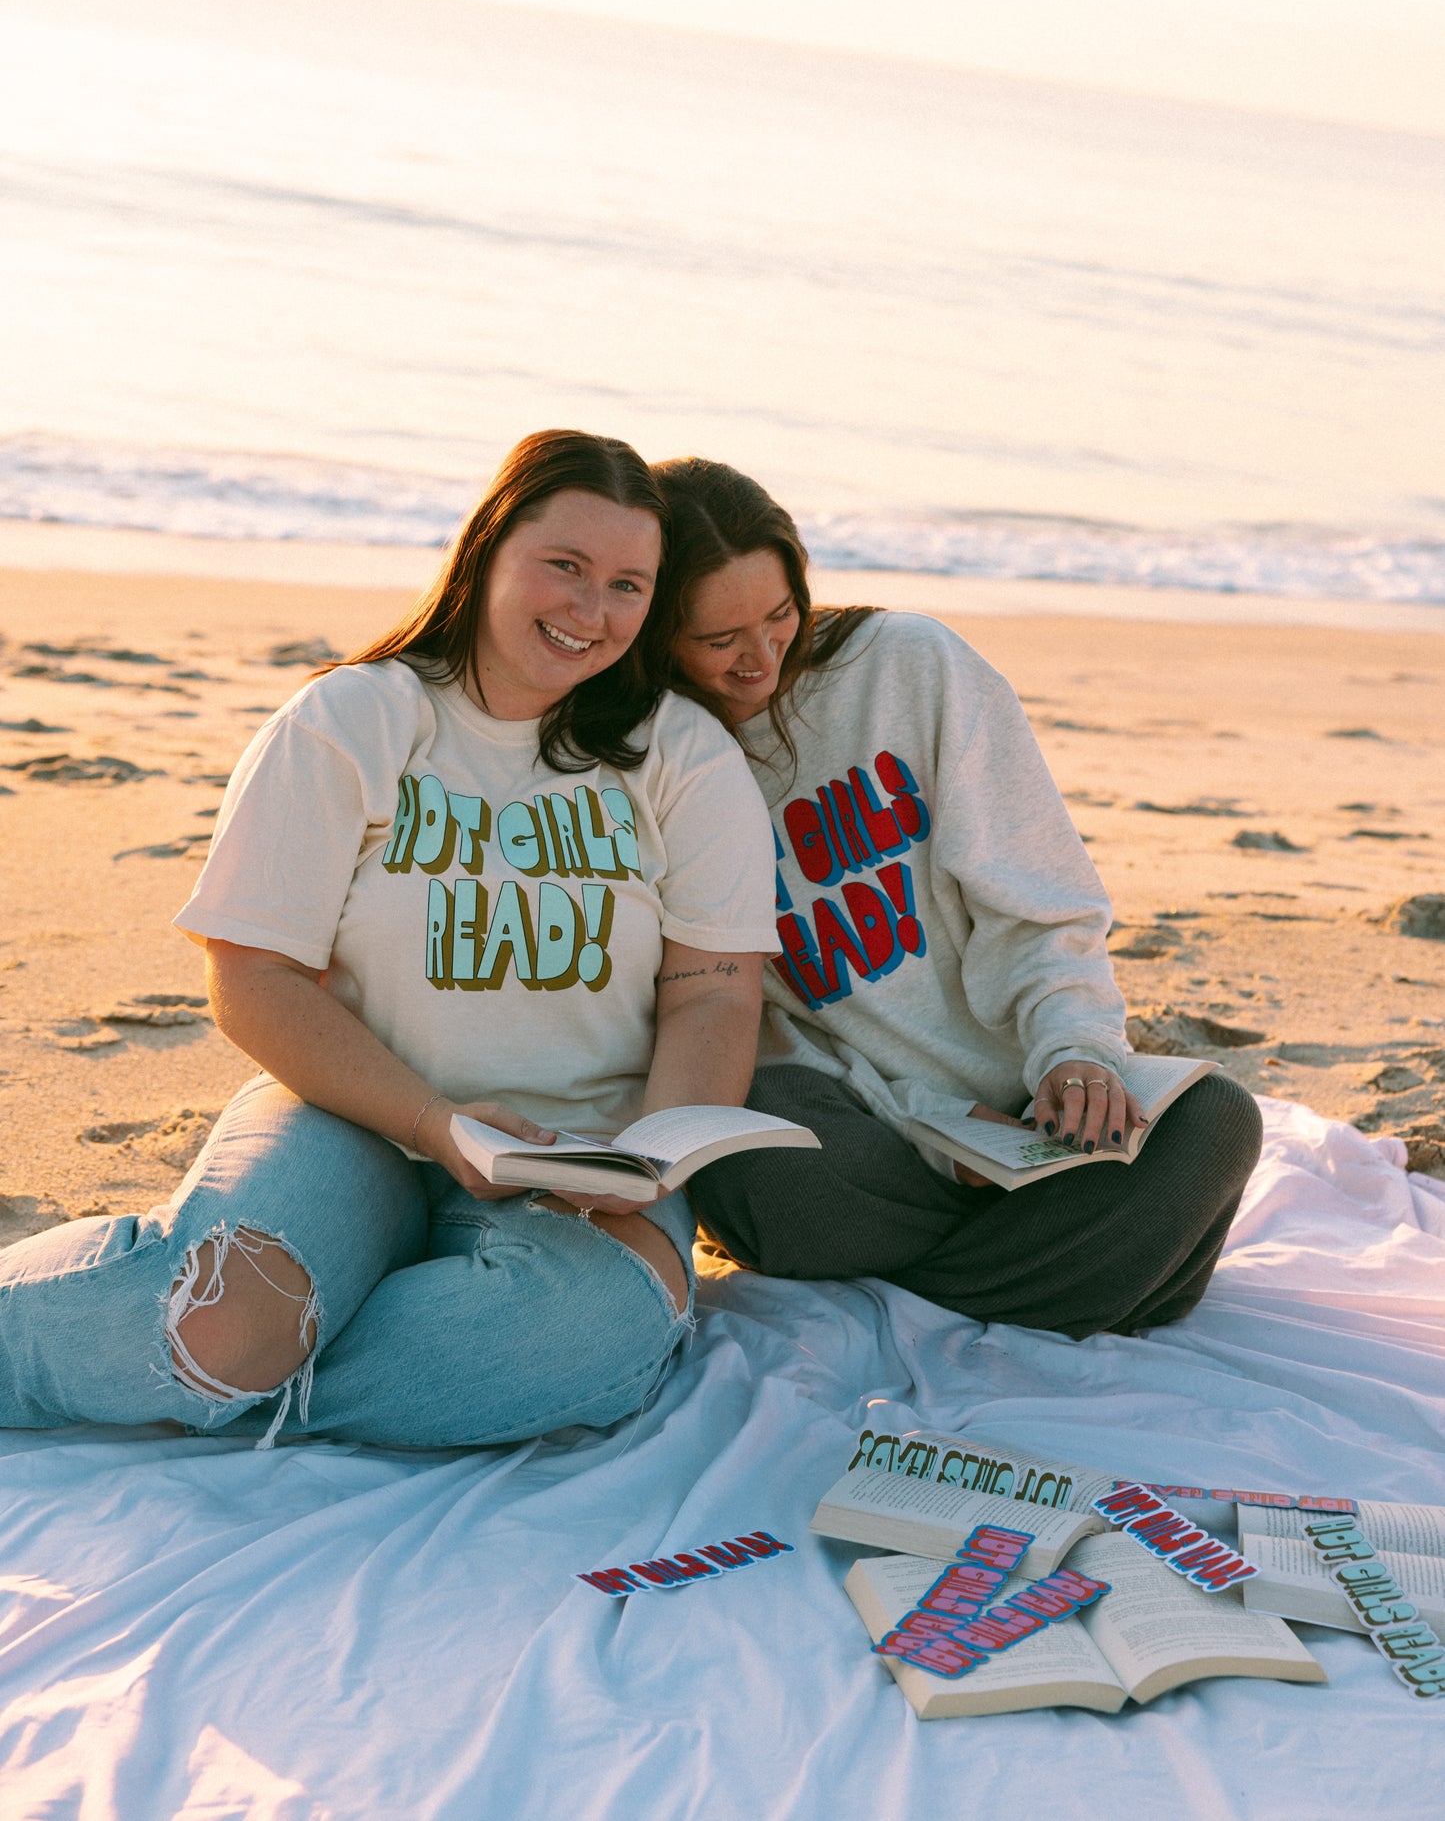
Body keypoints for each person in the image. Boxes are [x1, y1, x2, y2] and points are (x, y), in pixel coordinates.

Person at [0, 431, 779, 1447]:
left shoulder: (681, 755)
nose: (593, 612)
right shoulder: (352, 718)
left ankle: (257, 1375)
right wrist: (438, 1123)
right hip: (354, 1117)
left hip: (577, 1157)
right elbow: (253, 978)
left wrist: (660, 1154)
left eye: (629, 585)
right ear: (488, 546)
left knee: (573, 1335)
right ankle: (231, 1355)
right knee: (221, 1322)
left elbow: (714, 989)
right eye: (565, 567)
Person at [651, 456, 1262, 1340]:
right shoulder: (660, 759)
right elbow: (750, 1023)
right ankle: (1093, 1279)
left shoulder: (909, 666)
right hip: (863, 1124)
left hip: (1027, 1104)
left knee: (1215, 1122)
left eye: (781, 614)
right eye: (718, 640)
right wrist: (932, 1131)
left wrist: (1074, 1054)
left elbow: (1039, 897)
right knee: (748, 1162)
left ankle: (948, 1287)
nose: (761, 657)